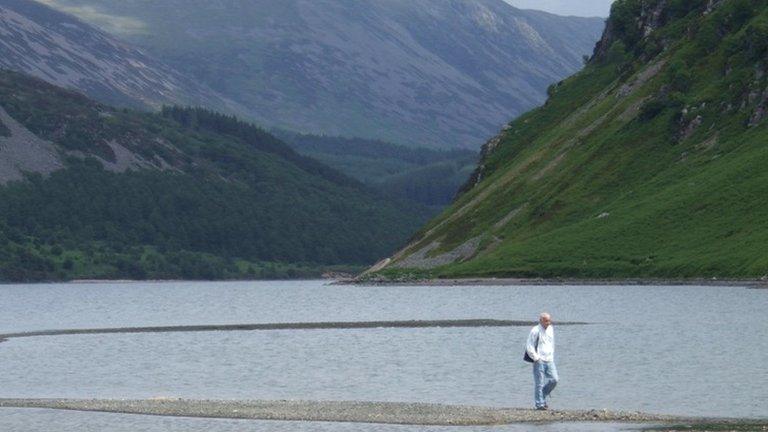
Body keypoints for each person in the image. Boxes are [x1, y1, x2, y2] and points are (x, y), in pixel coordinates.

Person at [526, 312, 558, 410]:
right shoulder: (535, 330)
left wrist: (552, 355)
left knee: (554, 380)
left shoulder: (551, 329)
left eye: (549, 320)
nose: (548, 323)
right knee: (539, 383)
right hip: (539, 360)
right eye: (546, 321)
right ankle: (539, 404)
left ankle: (542, 396)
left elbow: (551, 343)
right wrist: (536, 358)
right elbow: (529, 345)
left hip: (549, 359)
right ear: (541, 321)